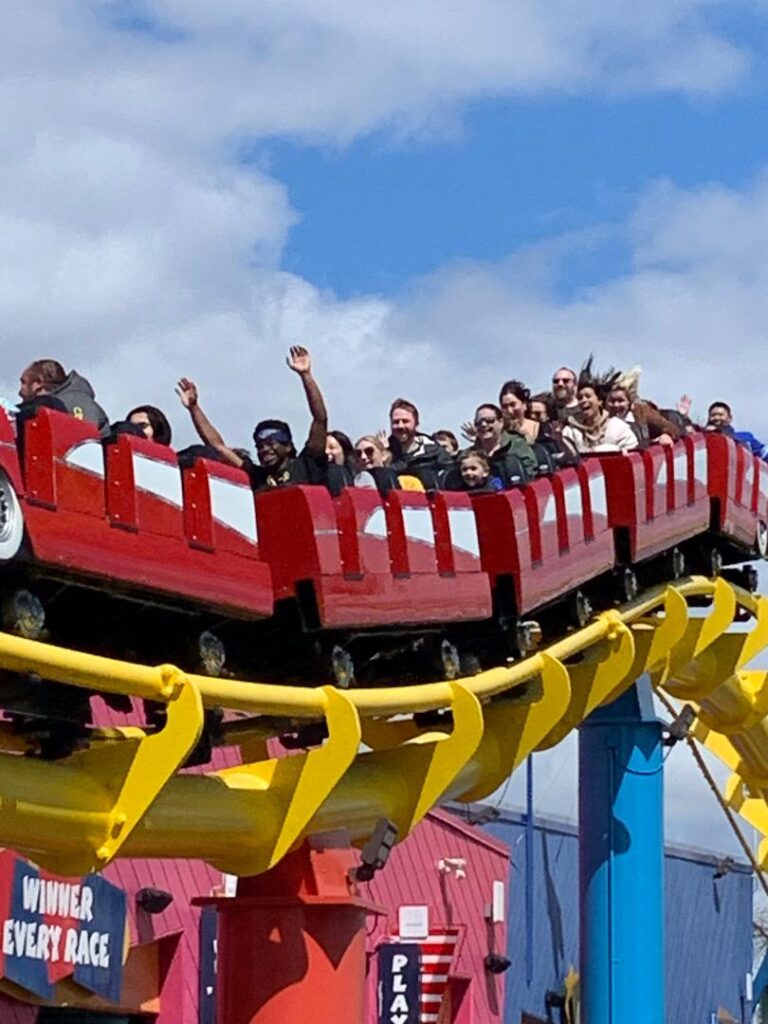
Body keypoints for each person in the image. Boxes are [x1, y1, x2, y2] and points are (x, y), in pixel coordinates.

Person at [177, 346, 329, 489]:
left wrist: (306, 376)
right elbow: (218, 446)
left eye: (270, 443)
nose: (264, 449)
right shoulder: (257, 476)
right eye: (260, 446)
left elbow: (319, 419)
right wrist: (194, 408)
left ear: (288, 446)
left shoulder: (307, 464)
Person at [561, 360, 639, 455]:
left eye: (588, 396)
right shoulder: (570, 432)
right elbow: (566, 459)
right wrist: (560, 439)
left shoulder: (618, 428)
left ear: (599, 401)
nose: (584, 400)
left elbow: (634, 456)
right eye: (580, 398)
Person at [18, 359, 108, 430]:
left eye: (23, 382)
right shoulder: (54, 404)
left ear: (38, 383)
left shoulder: (76, 402)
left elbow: (84, 438)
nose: (20, 392)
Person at [386, 399, 453, 487]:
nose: (400, 426)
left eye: (405, 421)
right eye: (396, 422)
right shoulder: (385, 456)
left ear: (416, 424)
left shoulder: (435, 454)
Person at [467, 403, 537, 484]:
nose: (483, 424)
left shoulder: (517, 444)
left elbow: (530, 471)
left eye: (489, 420)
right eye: (479, 422)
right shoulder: (470, 454)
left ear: (500, 422)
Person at [605, 373, 679, 448]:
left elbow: (671, 428)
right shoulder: (601, 419)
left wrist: (666, 435)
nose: (616, 405)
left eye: (621, 401)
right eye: (612, 401)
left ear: (629, 402)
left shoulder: (642, 413)